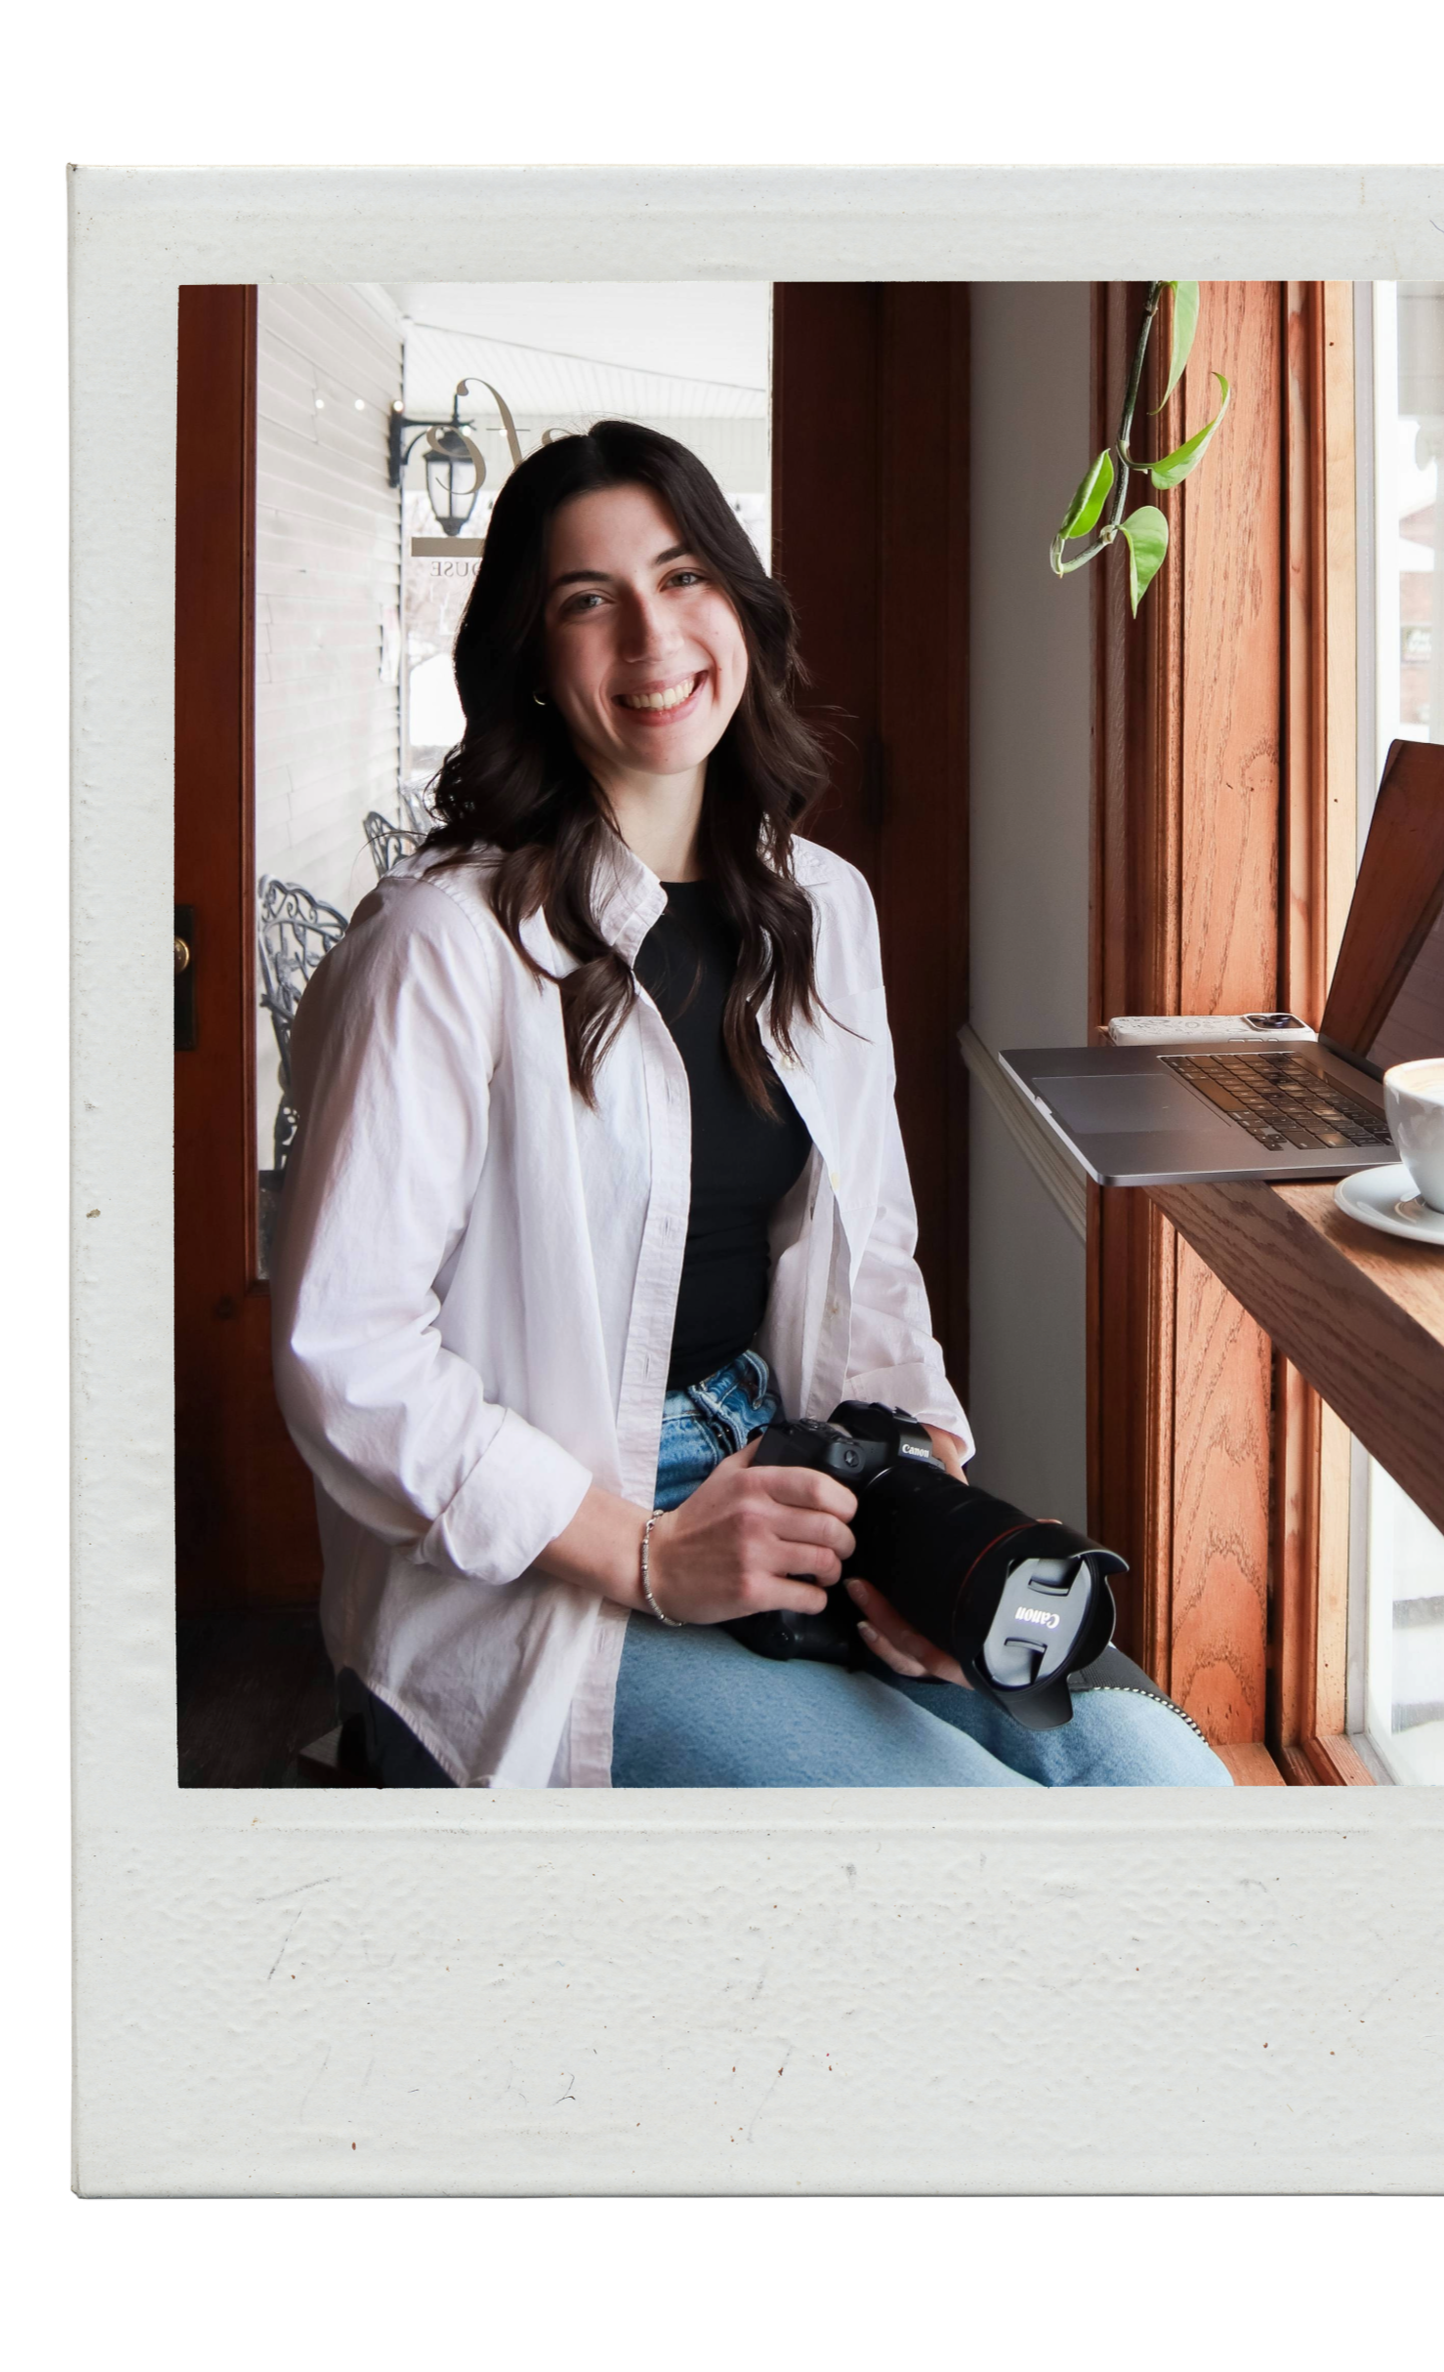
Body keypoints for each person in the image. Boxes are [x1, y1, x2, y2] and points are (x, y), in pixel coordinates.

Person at [272, 420, 1230, 1790]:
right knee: (964, 1829)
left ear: (739, 603)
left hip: (783, 1468)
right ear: (532, 662)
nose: (651, 639)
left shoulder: (823, 907)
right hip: (554, 1536)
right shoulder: (441, 944)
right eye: (585, 601)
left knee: (1163, 1787)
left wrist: (921, 1504)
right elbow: (346, 1353)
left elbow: (871, 1263)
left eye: (681, 578)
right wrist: (651, 1555)